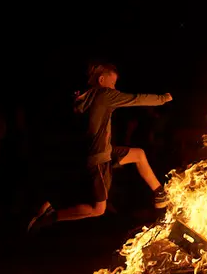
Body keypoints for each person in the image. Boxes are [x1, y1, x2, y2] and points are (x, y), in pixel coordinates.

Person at [28, 63, 172, 233]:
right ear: (101, 80)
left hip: (103, 152)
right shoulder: (104, 94)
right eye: (112, 83)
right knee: (98, 209)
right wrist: (164, 98)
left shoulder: (85, 97)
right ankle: (51, 216)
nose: (114, 88)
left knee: (138, 154)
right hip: (99, 159)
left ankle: (159, 192)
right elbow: (136, 98)